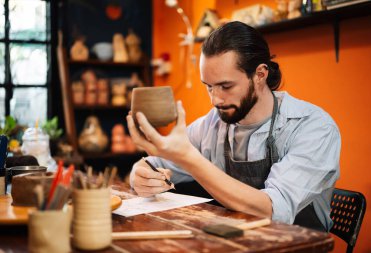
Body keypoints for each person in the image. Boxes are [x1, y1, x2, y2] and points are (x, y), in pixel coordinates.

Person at [126, 21, 341, 232]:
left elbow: (272, 209)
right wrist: (141, 176)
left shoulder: (312, 127)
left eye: (225, 86)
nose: (215, 99)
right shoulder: (212, 125)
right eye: (209, 87)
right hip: (236, 243)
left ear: (260, 74)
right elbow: (149, 165)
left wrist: (190, 159)